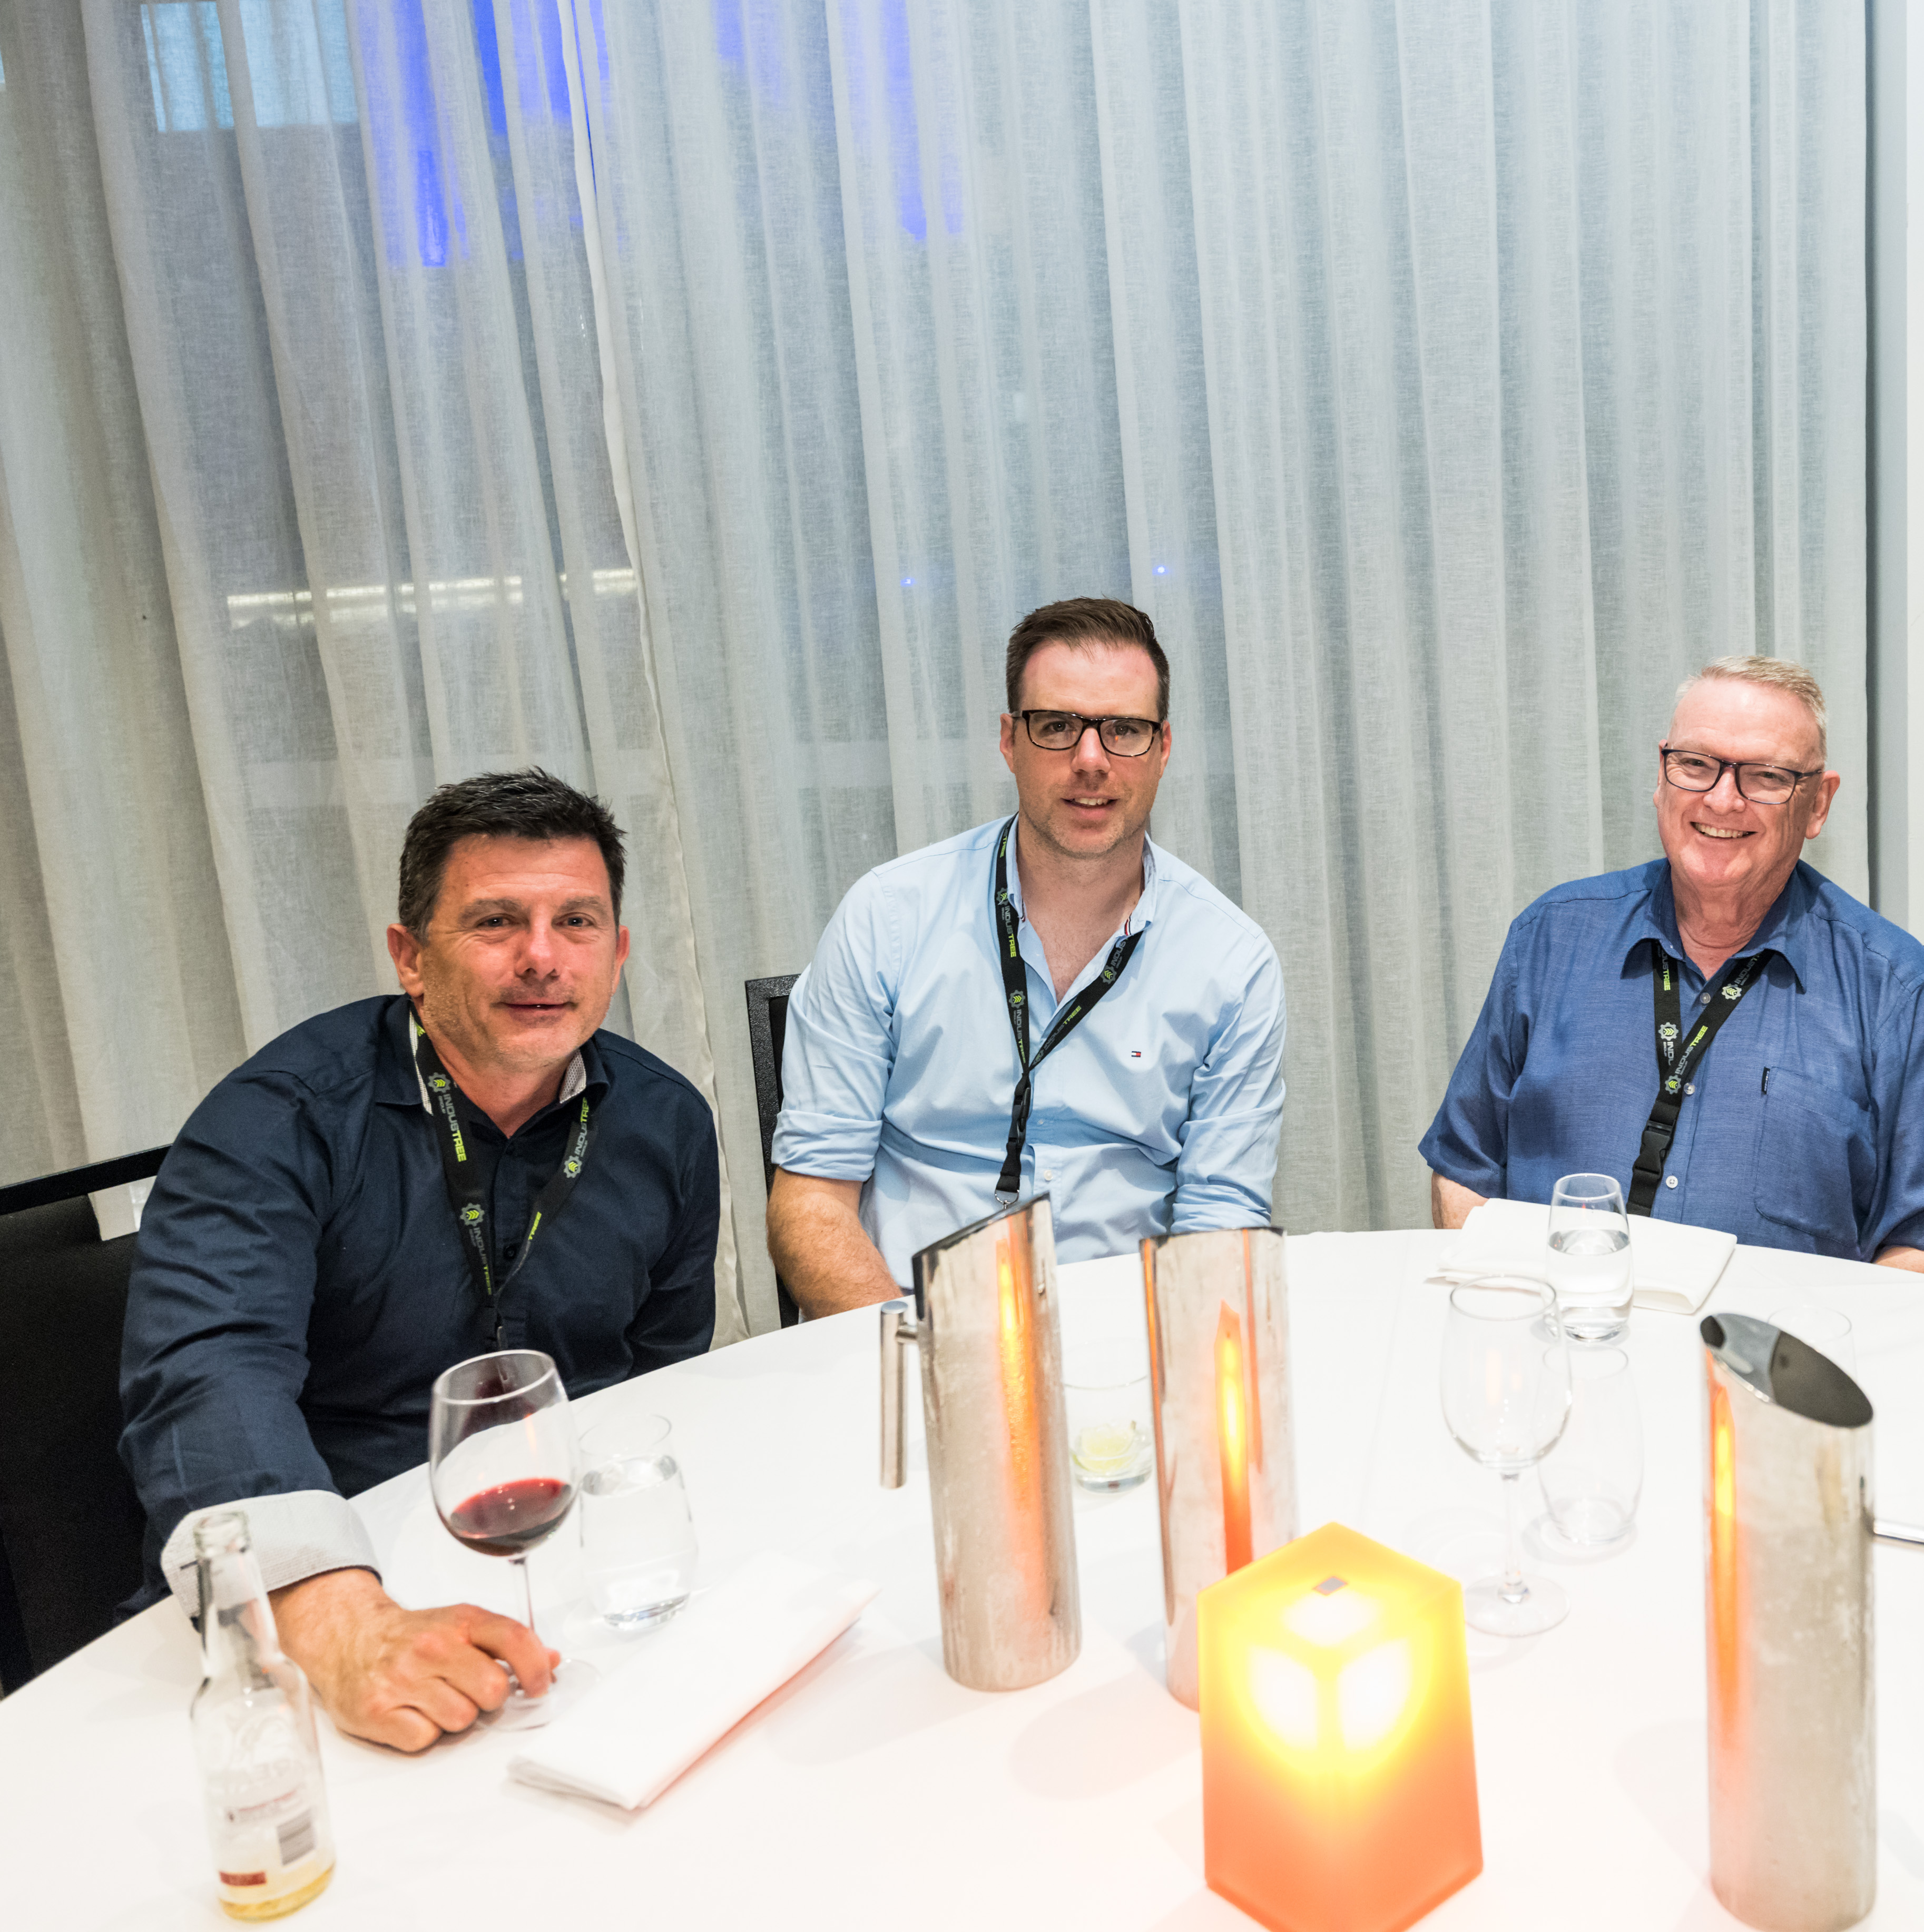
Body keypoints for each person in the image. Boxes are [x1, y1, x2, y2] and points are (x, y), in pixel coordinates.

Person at [119, 770, 722, 1748]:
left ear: (616, 953)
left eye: (576, 922)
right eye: (495, 921)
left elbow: (662, 1372)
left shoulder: (668, 1121)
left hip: (571, 1574)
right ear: (411, 957)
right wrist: (340, 1620)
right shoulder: (275, 1121)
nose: (542, 957)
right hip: (332, 1577)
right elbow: (206, 1373)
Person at [1422, 656, 1924, 1273]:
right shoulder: (1551, 936)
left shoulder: (1893, 987)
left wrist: (1799, 1337)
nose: (1723, 800)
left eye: (1766, 776)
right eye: (1696, 764)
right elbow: (1464, 1168)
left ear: (1818, 803)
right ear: (1661, 775)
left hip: (1770, 1337)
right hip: (1564, 1325)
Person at [769, 597, 1284, 1312]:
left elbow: (1218, 1228)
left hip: (1126, 1338)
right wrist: (921, 1361)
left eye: (1124, 730)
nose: (1090, 761)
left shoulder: (1232, 965)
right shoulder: (887, 919)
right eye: (1057, 726)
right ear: (1010, 741)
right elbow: (811, 1205)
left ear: (1163, 749)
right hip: (914, 1323)